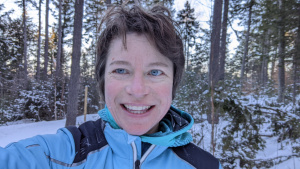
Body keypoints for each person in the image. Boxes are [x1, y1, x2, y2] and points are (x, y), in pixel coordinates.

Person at [0, 5, 222, 169]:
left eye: (155, 72)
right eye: (121, 70)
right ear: (103, 80)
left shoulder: (205, 166)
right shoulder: (65, 154)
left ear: (173, 83)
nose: (137, 90)